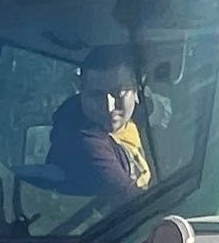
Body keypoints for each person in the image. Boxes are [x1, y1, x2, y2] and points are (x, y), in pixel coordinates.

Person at [43, 48, 152, 200]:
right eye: (96, 95)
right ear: (81, 92)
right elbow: (132, 201)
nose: (109, 107)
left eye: (118, 92)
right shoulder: (82, 142)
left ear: (137, 89)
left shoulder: (145, 120)